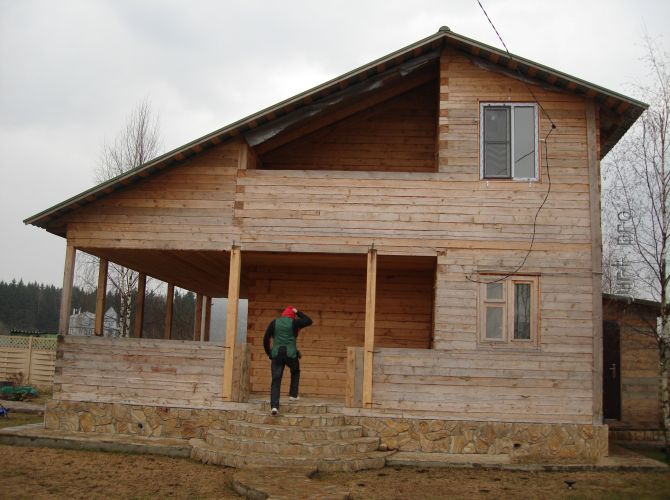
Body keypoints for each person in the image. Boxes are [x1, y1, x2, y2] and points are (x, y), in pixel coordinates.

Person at [263, 306, 313, 415]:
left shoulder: (274, 322)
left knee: (276, 380)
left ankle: (274, 407)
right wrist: (298, 312)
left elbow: (266, 338)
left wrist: (269, 353)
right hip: (290, 354)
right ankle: (293, 395)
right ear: (292, 315)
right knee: (295, 371)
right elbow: (309, 321)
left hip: (277, 354)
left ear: (283, 314)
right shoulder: (294, 323)